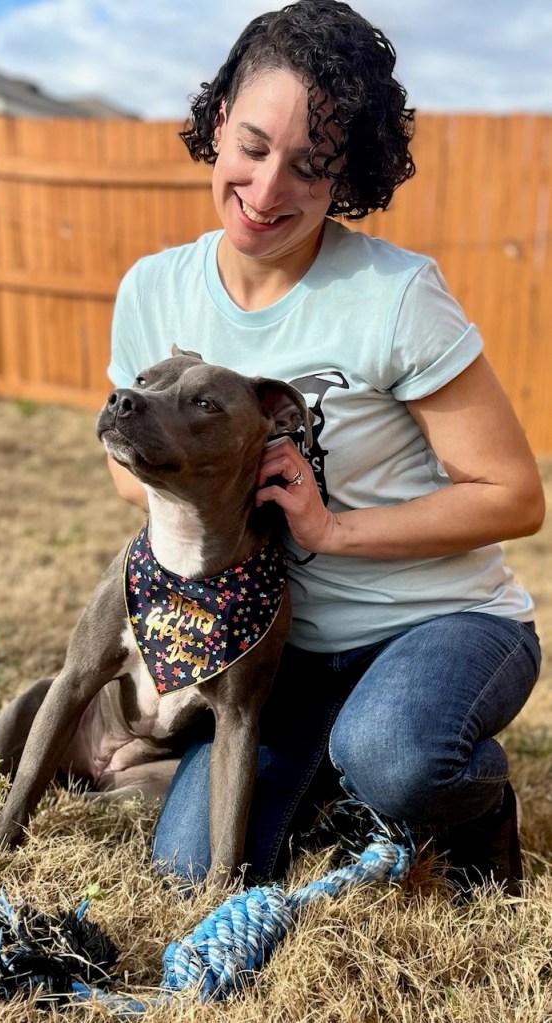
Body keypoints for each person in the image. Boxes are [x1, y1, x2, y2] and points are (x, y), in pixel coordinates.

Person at [106, 0, 544, 896]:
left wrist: (330, 531)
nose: (267, 192)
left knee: (394, 754)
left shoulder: (393, 294)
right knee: (190, 871)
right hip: (283, 648)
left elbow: (512, 494)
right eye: (255, 147)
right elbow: (126, 466)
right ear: (218, 118)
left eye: (310, 168)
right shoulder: (154, 290)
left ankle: (463, 792)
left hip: (440, 620)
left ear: (349, 174)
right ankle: (343, 783)